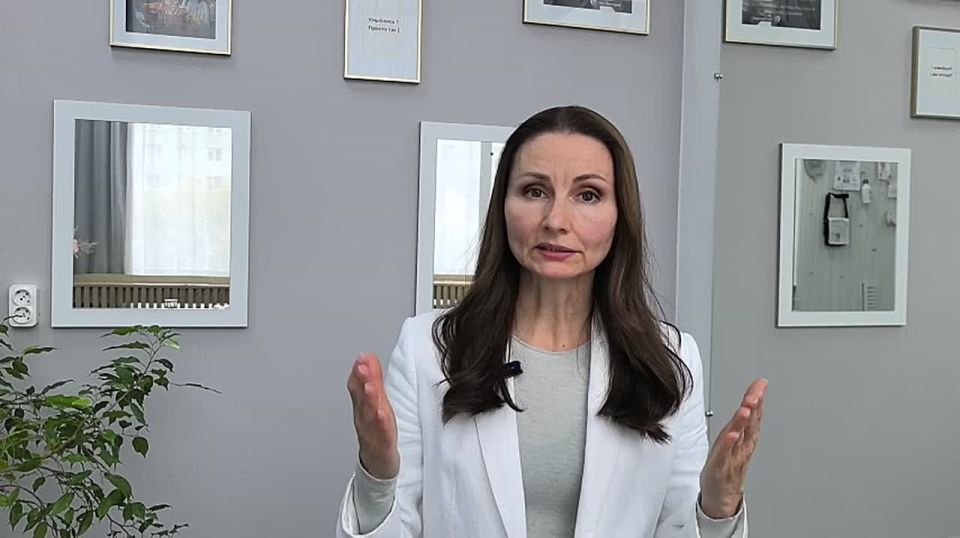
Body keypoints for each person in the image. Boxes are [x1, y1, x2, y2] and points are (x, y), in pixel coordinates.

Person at [337, 106, 767, 537]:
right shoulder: (427, 350)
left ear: (621, 215)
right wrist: (377, 477)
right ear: (503, 207)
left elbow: (677, 526)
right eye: (534, 191)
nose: (556, 221)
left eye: (588, 195)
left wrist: (717, 508)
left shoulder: (670, 358)